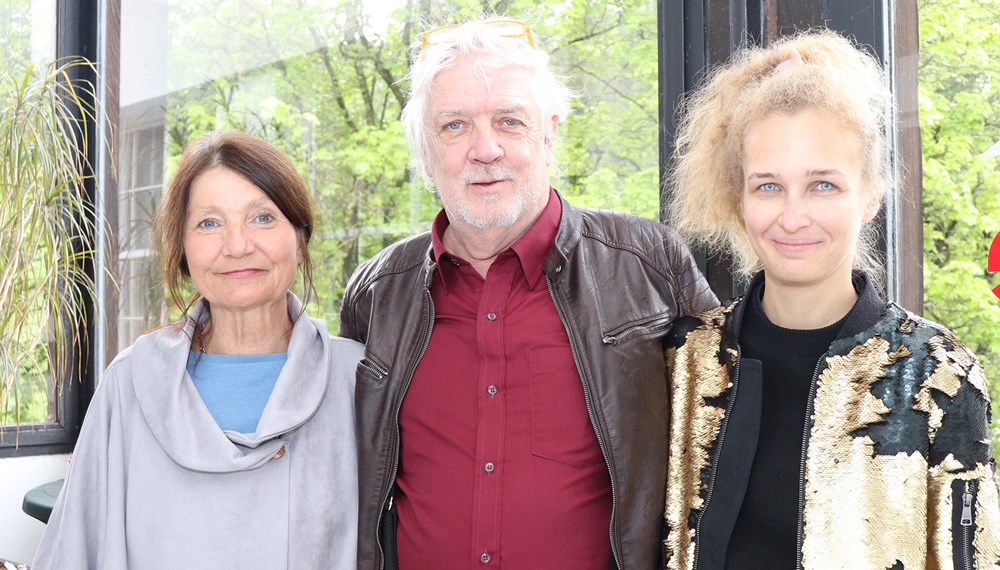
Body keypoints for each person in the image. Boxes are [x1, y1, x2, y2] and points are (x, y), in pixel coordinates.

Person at [338, 16, 718, 570]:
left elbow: (733, 434)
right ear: (425, 151)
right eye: (454, 126)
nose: (484, 148)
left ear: (550, 133)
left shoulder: (650, 267)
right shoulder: (377, 294)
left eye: (510, 121)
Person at [661, 29, 1000, 569]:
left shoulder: (936, 372)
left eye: (823, 185)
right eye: (768, 186)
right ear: (738, 198)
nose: (793, 216)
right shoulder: (687, 361)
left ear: (869, 196)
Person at [33, 131, 363, 569]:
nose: (238, 245)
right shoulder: (131, 382)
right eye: (209, 223)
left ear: (299, 240)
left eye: (262, 217)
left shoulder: (359, 380)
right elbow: (75, 548)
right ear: (184, 253)